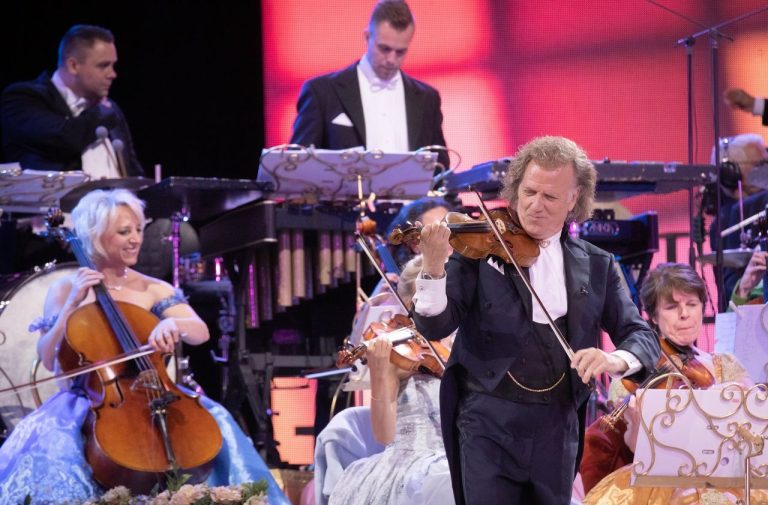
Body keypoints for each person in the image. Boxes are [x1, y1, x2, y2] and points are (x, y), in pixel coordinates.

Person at [412, 135, 661, 505]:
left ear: (573, 199)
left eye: (549, 197)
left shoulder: (597, 265)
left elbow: (640, 335)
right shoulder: (480, 252)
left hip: (556, 428)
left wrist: (613, 359)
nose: (535, 206)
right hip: (487, 423)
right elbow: (435, 326)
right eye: (528, 192)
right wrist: (433, 268)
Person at [0, 189, 289, 505]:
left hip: (157, 392)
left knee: (215, 419)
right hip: (91, 403)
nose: (136, 238)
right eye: (124, 232)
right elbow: (47, 355)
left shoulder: (153, 287)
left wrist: (173, 324)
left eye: (138, 229)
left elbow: (200, 332)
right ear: (96, 236)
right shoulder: (66, 288)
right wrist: (71, 303)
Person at [582, 262, 761, 504]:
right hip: (663, 480)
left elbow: (753, 424)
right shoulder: (637, 371)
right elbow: (635, 447)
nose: (684, 314)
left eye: (692, 304)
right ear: (654, 317)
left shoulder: (724, 364)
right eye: (672, 306)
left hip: (724, 475)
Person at [329, 255, 455, 505]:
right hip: (414, 466)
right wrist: (379, 372)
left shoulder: (462, 346)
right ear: (410, 302)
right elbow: (384, 435)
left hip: (465, 458)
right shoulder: (397, 351)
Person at [289, 0, 448, 169]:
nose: (391, 60)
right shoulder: (321, 93)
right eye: (384, 49)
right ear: (366, 37)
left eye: (400, 52)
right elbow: (297, 166)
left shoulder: (428, 98)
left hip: (413, 197)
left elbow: (440, 168)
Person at [1, 24, 143, 176]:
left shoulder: (110, 108)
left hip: (119, 199)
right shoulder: (23, 97)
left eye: (113, 65)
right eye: (103, 65)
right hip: (53, 199)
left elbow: (132, 170)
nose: (113, 74)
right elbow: (62, 139)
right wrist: (100, 114)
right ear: (73, 65)